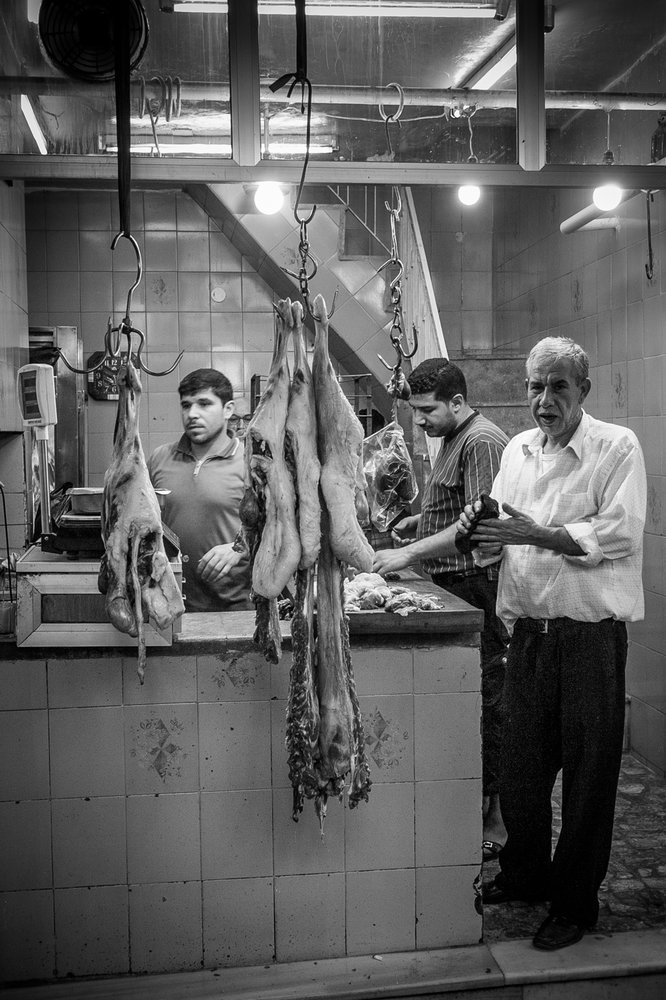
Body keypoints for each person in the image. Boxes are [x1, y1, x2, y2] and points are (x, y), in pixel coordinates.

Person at [458, 336, 646, 951]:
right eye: (535, 386)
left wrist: (532, 532)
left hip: (590, 641)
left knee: (589, 781)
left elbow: (616, 534)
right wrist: (480, 532)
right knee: (520, 773)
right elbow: (506, 540)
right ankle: (525, 874)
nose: (543, 399)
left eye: (557, 386)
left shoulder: (616, 446)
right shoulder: (516, 450)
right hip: (530, 637)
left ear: (582, 391)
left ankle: (573, 903)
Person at [372, 357, 510, 856]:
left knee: (490, 703)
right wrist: (420, 524)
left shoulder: (482, 441)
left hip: (478, 588)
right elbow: (454, 511)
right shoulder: (452, 439)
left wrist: (408, 553)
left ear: (457, 401)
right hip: (455, 582)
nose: (420, 420)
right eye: (416, 411)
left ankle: (496, 822)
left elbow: (480, 528)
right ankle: (469, 808)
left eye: (427, 410)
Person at [148, 368, 251, 613]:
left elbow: (277, 528)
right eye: (186, 405)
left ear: (228, 410)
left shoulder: (249, 462)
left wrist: (240, 547)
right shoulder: (160, 458)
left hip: (235, 607)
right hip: (169, 604)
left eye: (204, 404)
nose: (192, 414)